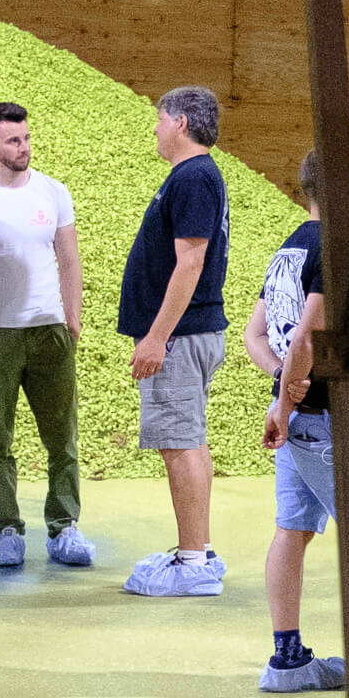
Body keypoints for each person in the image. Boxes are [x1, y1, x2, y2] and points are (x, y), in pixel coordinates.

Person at [243, 152, 349, 698]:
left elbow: (257, 336)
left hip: (299, 419)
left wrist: (281, 392)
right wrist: (290, 402)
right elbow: (304, 340)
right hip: (324, 417)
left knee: (292, 529)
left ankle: (288, 659)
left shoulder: (289, 246)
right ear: (340, 189)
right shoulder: (334, 249)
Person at [0, 101, 95, 569]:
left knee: (63, 437)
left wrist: (71, 322)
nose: (24, 147)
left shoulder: (54, 192)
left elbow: (69, 260)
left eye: (27, 138)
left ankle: (64, 525)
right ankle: (7, 526)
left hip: (50, 333)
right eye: (13, 140)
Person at [118, 86, 231, 597]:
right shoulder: (197, 177)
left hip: (180, 338)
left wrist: (157, 336)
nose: (156, 128)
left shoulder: (192, 177)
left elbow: (191, 261)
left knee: (179, 445)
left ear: (181, 122)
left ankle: (192, 565)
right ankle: (199, 551)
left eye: (160, 119)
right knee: (190, 443)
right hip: (190, 334)